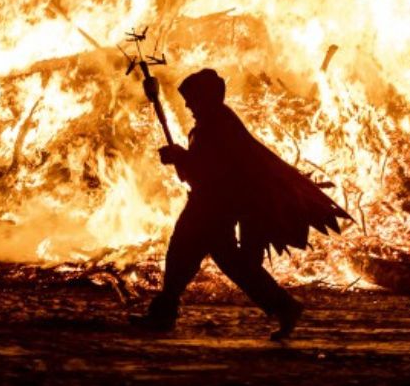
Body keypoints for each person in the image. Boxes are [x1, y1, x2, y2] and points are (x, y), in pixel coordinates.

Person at [132, 69, 351, 339]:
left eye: (192, 99)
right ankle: (284, 307)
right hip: (212, 205)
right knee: (226, 264)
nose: (188, 105)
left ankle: (164, 314)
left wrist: (181, 157)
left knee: (185, 255)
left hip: (213, 207)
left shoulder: (218, 125)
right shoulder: (212, 123)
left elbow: (215, 170)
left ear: (206, 97)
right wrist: (182, 159)